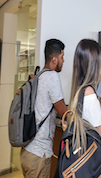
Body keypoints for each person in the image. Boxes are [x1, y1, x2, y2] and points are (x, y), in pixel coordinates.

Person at [20, 39, 68, 178]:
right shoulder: (52, 77)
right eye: (62, 57)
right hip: (39, 154)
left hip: (28, 151)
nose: (63, 61)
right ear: (54, 59)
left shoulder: (39, 75)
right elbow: (63, 112)